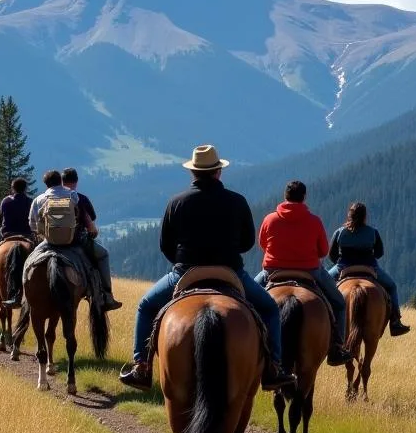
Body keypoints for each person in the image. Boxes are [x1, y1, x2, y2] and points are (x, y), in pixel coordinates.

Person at [118, 144, 294, 392]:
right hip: (231, 272)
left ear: (193, 172)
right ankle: (274, 368)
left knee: (146, 307)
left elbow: (165, 245)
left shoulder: (176, 202)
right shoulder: (237, 201)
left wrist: (181, 263)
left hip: (185, 272)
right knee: (269, 309)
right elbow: (246, 243)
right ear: (218, 172)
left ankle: (142, 367)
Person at [255, 181, 351, 366]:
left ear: (285, 196)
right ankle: (337, 348)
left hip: (273, 271)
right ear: (304, 197)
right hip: (310, 271)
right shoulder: (314, 220)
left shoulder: (270, 219)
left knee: (244, 299)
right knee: (339, 303)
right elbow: (323, 251)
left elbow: (263, 244)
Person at [327, 201, 409, 336]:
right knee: (392, 286)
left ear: (350, 215)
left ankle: (328, 320)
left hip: (344, 266)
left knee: (323, 286)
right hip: (369, 267)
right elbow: (379, 253)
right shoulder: (373, 232)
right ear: (365, 216)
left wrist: (341, 262)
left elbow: (332, 255)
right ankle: (395, 322)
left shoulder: (340, 232)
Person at [62, 167, 122, 311]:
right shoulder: (80, 198)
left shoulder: (51, 198)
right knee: (103, 255)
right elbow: (92, 219)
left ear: (62, 181)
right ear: (76, 182)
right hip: (77, 241)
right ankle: (107, 295)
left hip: (52, 242)